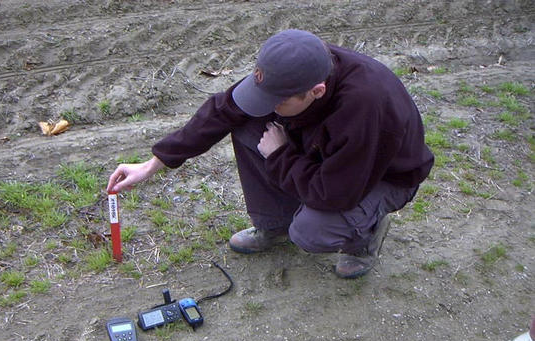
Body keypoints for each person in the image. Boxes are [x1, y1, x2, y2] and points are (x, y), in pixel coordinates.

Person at [107, 29, 434, 278]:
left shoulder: (362, 107)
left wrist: (280, 156)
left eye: (278, 100)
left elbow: (333, 194)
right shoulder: (291, 68)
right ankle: (274, 224)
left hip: (383, 177)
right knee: (247, 124)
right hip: (332, 160)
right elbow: (224, 110)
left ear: (316, 91)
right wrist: (153, 163)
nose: (268, 105)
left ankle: (365, 234)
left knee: (311, 231)